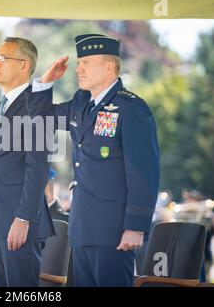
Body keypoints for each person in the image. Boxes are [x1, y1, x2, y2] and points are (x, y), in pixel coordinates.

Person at [27, 34, 160, 286]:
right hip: (82, 227)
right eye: (79, 62)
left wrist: (135, 227)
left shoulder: (132, 108)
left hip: (114, 230)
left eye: (86, 62)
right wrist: (45, 82)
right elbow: (41, 118)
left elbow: (145, 172)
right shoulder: (81, 103)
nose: (78, 68)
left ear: (109, 67)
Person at [0, 37, 55, 287]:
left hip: (20, 223)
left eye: (3, 58)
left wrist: (23, 219)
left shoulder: (36, 106)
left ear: (24, 65)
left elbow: (37, 168)